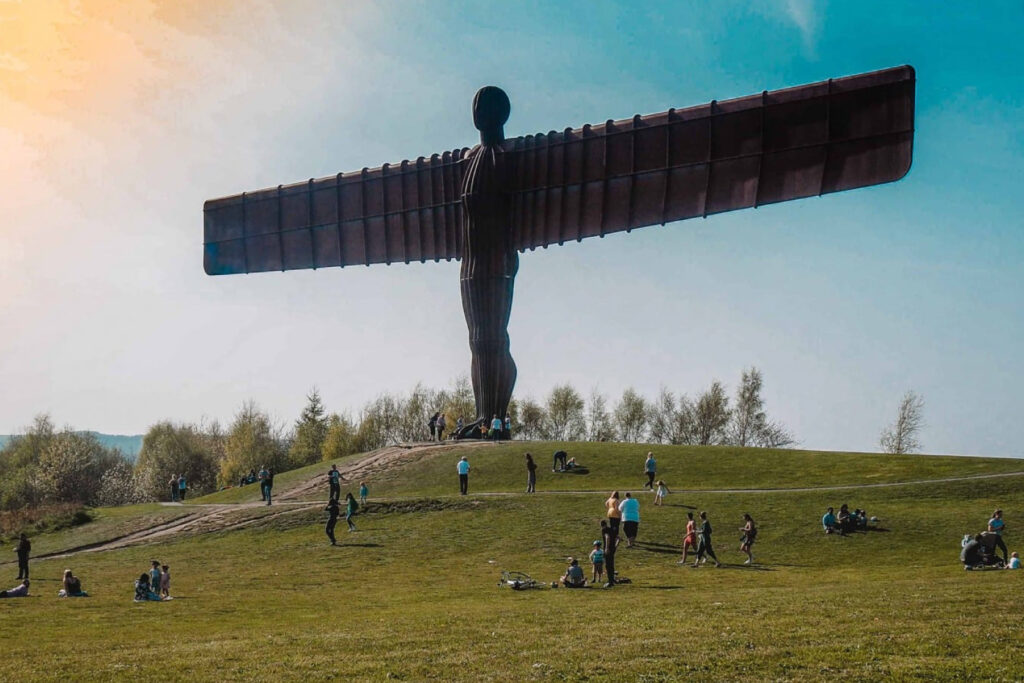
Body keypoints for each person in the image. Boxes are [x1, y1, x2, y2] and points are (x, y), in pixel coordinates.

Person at [601, 519, 618, 587]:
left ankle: (610, 582)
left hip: (608, 549)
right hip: (613, 548)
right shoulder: (611, 529)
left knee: (608, 566)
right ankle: (612, 579)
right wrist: (615, 546)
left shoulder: (604, 530)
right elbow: (618, 538)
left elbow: (607, 537)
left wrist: (607, 548)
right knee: (612, 564)